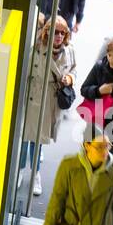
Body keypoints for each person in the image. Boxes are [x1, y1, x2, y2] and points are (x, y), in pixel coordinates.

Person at [24, 15, 77, 195]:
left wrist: (69, 78)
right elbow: (27, 73)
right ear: (47, 32)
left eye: (63, 33)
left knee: (40, 138)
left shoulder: (69, 51)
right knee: (31, 136)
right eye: (56, 32)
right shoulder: (37, 49)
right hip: (37, 97)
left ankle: (34, 169)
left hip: (54, 100)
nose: (59, 36)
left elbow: (74, 69)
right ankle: (28, 172)